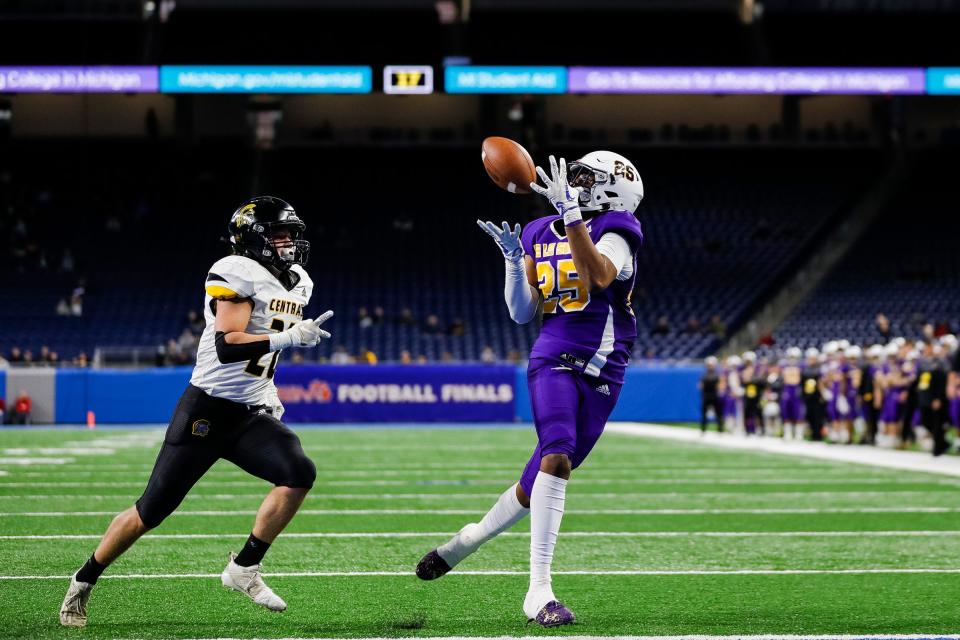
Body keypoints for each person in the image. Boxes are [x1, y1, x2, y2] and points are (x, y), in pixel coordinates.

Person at [60, 196, 334, 627]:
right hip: (205, 410)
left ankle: (244, 568)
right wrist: (287, 340)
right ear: (252, 239)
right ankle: (83, 579)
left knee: (299, 470)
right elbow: (228, 344)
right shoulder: (235, 271)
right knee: (151, 510)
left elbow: (264, 349)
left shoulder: (299, 279)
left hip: (249, 411)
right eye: (277, 235)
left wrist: (270, 387)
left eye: (290, 234)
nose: (288, 243)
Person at [416, 152, 644, 627]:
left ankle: (465, 541)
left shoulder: (619, 228)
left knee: (533, 484)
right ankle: (539, 591)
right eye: (576, 176)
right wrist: (513, 263)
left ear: (613, 191)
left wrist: (573, 216)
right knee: (556, 457)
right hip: (554, 354)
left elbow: (598, 275)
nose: (575, 183)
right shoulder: (541, 230)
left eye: (587, 179)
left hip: (605, 366)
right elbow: (523, 313)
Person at [698, 356, 723, 433]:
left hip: (715, 395)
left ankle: (720, 429)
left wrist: (719, 390)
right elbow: (700, 386)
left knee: (718, 413)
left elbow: (721, 385)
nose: (710, 366)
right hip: (706, 395)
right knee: (704, 413)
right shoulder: (704, 375)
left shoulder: (717, 375)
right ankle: (703, 429)